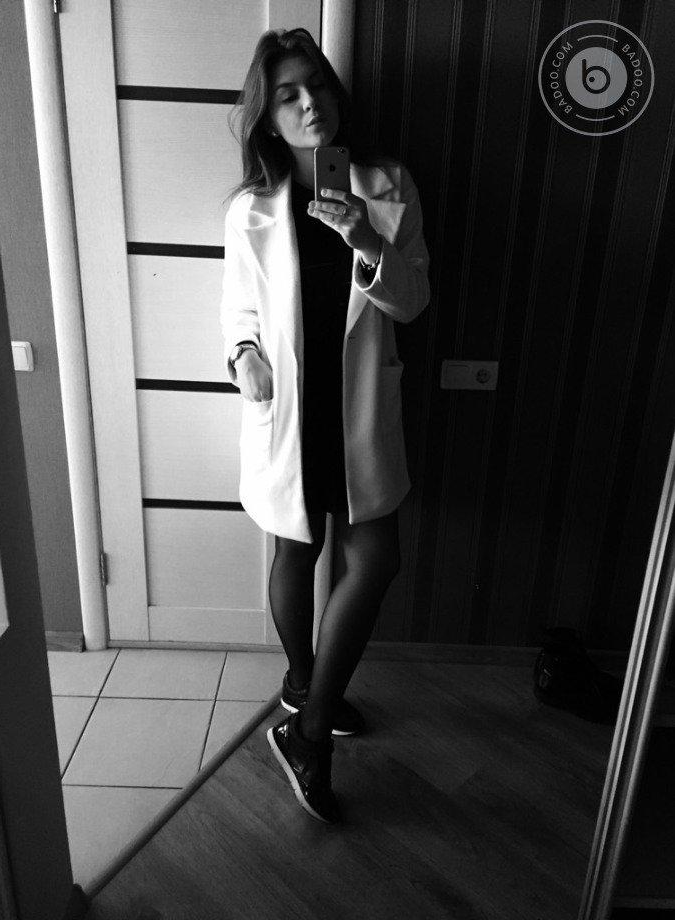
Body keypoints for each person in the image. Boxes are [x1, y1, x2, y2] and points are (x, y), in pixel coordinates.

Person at [219, 27, 430, 824]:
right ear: (268, 119)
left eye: (318, 86)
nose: (311, 104)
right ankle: (307, 685)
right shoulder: (250, 210)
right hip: (289, 412)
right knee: (296, 550)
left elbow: (412, 302)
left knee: (376, 559)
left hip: (360, 407)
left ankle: (307, 730)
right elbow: (239, 312)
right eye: (289, 95)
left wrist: (365, 238)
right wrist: (243, 357)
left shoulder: (387, 184)